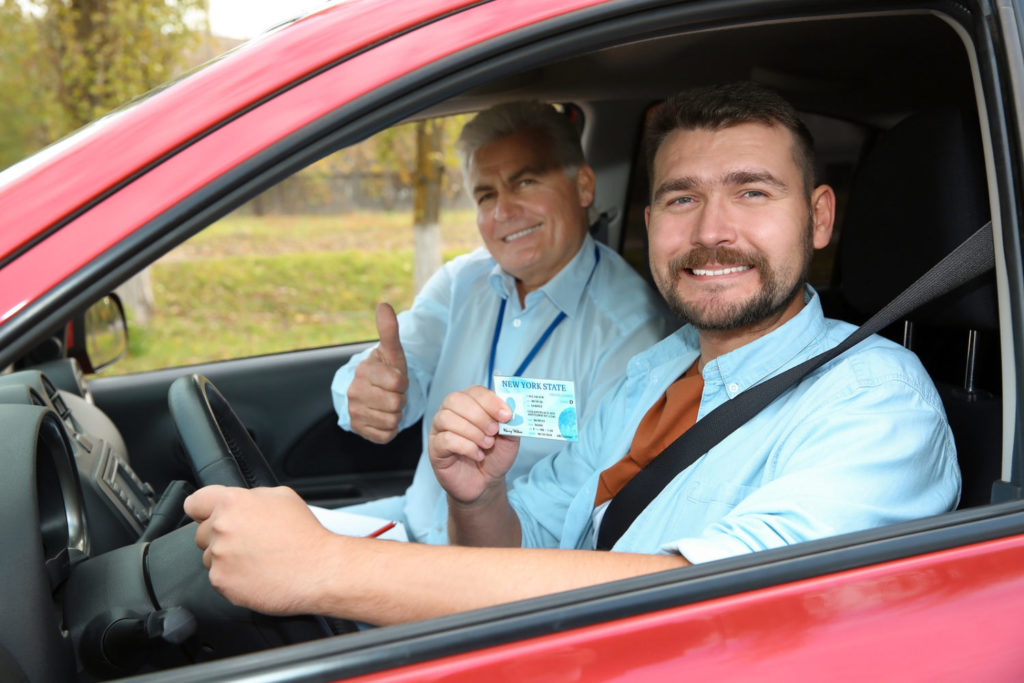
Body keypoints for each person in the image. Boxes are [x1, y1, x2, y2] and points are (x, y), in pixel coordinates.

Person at [185, 82, 960, 626]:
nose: (711, 231)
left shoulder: (877, 402)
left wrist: (326, 569)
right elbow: (533, 538)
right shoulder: (654, 376)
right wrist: (478, 495)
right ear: (650, 217)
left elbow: (703, 599)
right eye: (682, 198)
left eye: (753, 192)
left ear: (819, 218)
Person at [329, 101, 673, 543]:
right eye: (485, 195)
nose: (503, 212)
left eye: (525, 181)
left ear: (583, 185)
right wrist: (368, 393)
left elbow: (578, 507)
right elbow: (396, 373)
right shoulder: (461, 283)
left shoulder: (633, 332)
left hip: (502, 566)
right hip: (410, 525)